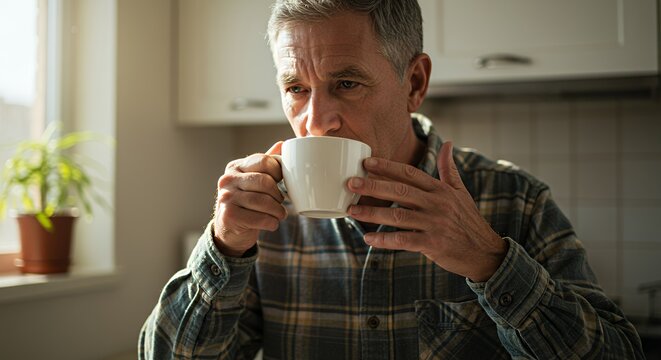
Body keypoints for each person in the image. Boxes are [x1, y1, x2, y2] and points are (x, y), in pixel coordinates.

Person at [139, 0, 645, 358]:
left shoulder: (516, 201)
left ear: (414, 83)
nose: (317, 120)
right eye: (295, 87)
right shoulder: (263, 220)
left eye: (347, 83)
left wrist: (490, 262)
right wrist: (224, 248)